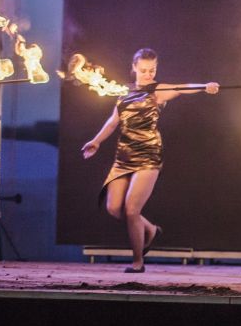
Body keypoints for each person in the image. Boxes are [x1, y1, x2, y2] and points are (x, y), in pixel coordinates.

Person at [82, 48, 219, 273]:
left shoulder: (157, 90)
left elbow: (182, 87)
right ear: (134, 67)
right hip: (123, 156)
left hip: (148, 154)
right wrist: (96, 141)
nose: (148, 74)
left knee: (131, 210)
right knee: (114, 208)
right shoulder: (124, 91)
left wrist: (205, 86)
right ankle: (151, 229)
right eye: (144, 70)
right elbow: (113, 121)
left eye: (152, 70)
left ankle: (138, 262)